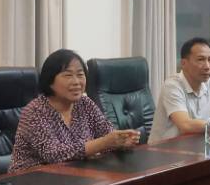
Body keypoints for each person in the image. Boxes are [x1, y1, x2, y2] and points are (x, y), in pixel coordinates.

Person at [9, 49, 139, 172]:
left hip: (76, 175)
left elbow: (107, 132)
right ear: (50, 80)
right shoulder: (34, 111)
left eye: (80, 75)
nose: (76, 82)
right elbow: (53, 154)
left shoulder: (84, 103)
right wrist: (104, 143)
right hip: (31, 179)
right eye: (68, 75)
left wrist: (121, 141)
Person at [148, 37, 210, 143]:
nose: (207, 66)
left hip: (194, 146)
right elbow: (185, 125)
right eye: (201, 60)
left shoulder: (209, 84)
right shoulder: (172, 86)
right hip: (164, 149)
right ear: (183, 63)